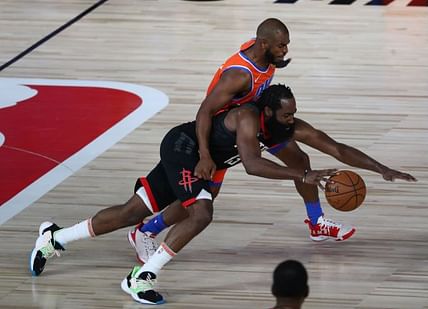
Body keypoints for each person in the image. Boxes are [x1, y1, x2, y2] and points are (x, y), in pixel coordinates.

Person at [29, 85, 416, 305]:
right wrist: (304, 173)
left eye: (293, 114)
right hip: (183, 147)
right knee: (201, 213)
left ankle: (54, 238)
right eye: (285, 115)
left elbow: (337, 148)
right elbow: (250, 164)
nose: (291, 119)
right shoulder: (248, 119)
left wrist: (381, 168)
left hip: (200, 159)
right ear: (266, 112)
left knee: (133, 212)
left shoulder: (285, 125)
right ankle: (141, 277)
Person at [129, 17, 354, 264]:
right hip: (222, 135)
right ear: (265, 44)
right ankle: (147, 229)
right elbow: (204, 111)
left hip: (255, 123)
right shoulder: (238, 75)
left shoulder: (263, 53)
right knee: (205, 198)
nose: (285, 50)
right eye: (281, 45)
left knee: (299, 158)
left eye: (286, 44)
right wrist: (205, 154)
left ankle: (316, 221)